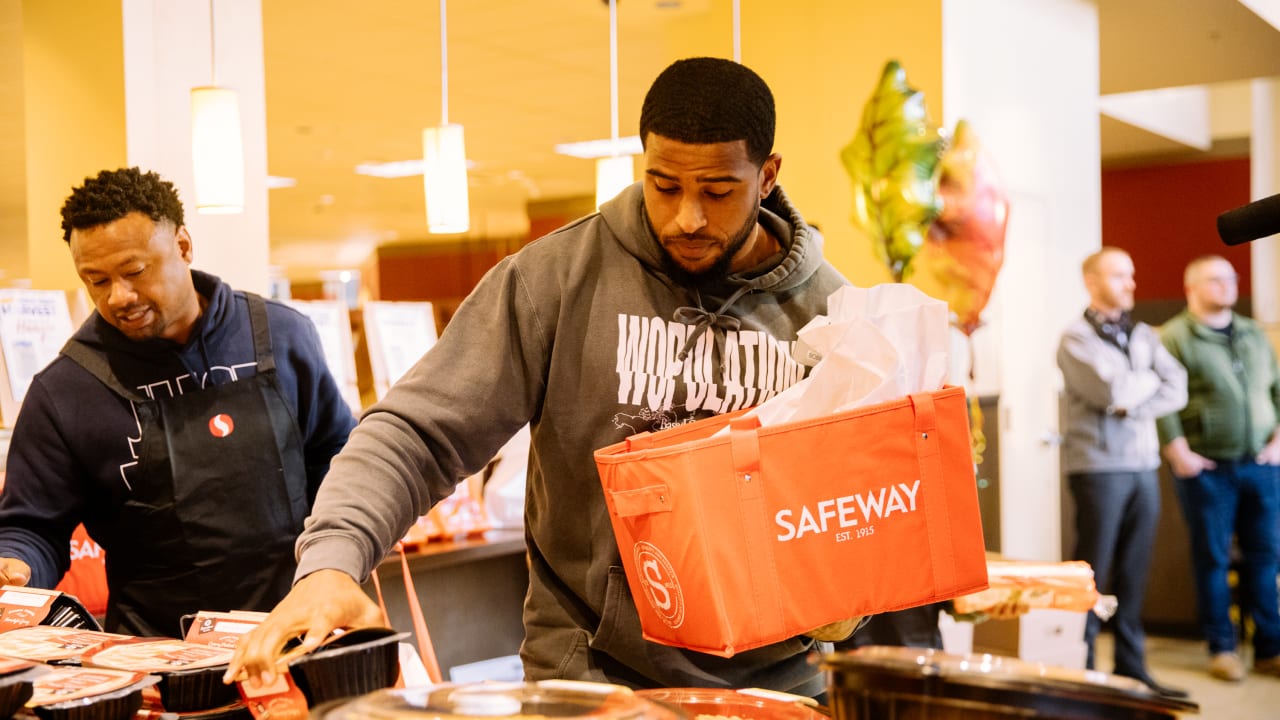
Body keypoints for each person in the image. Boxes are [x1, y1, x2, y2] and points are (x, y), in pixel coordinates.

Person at [228, 57, 854, 695]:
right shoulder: (555, 279)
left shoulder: (837, 316)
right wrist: (332, 565)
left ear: (768, 175)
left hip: (776, 685)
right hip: (589, 680)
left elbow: (863, 502)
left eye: (717, 192)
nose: (686, 218)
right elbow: (414, 434)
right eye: (664, 185)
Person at [0, 167, 357, 637]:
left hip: (302, 630)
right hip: (163, 658)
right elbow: (32, 526)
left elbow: (340, 461)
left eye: (133, 272)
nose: (119, 297)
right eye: (96, 281)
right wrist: (15, 567)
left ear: (183, 247)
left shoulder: (280, 336)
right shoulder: (66, 391)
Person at [1056, 247, 1188, 698]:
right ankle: (1085, 670)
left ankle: (1133, 670)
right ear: (1092, 282)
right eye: (1119, 275)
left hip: (1143, 466)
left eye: (1131, 274)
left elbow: (1177, 386)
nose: (1132, 283)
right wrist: (1137, 385)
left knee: (1134, 571)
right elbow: (1112, 389)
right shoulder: (1074, 339)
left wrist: (1134, 394)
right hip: (1099, 469)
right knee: (1095, 573)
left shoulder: (1145, 334)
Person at [1157, 254, 1280, 682]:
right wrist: (1178, 452)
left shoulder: (1252, 333)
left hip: (1262, 466)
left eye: (1231, 278)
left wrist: (1279, 442)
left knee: (1267, 557)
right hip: (1208, 470)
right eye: (1215, 279)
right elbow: (1162, 398)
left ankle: (1269, 648)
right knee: (1212, 559)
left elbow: (1277, 388)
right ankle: (1222, 649)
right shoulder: (1175, 336)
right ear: (1192, 287)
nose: (1227, 286)